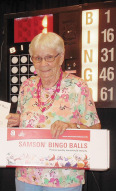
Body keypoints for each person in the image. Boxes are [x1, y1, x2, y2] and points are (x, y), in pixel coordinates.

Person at [7, 32, 101, 191]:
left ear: (61, 57)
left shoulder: (78, 87)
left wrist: (71, 126)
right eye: (37, 58)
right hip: (27, 173)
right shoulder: (26, 87)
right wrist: (18, 119)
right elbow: (27, 120)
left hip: (64, 176)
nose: (43, 64)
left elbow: (95, 128)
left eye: (49, 57)